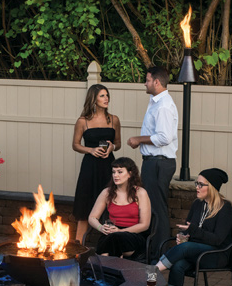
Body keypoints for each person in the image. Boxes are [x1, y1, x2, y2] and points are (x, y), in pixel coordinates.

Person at [157, 168, 232, 286]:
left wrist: (191, 233)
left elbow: (218, 240)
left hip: (215, 255)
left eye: (201, 184)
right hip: (197, 252)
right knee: (178, 265)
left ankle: (153, 271)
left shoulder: (225, 208)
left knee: (185, 249)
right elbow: (189, 229)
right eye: (196, 183)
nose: (196, 187)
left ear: (211, 187)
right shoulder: (197, 204)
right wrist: (182, 236)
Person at [127, 66, 178, 263]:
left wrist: (139, 139)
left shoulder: (164, 105)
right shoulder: (156, 102)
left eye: (147, 80)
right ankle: (151, 250)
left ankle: (161, 255)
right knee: (150, 206)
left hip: (159, 163)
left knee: (157, 208)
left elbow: (164, 137)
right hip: (153, 162)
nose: (145, 83)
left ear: (156, 82)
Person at [72, 84, 121, 242]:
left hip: (109, 167)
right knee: (85, 203)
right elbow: (75, 145)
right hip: (90, 167)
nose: (106, 98)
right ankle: (78, 247)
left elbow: (118, 143)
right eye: (102, 96)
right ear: (93, 99)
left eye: (107, 95)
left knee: (109, 202)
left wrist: (112, 147)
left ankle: (107, 245)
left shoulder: (114, 119)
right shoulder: (83, 121)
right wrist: (90, 150)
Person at [88, 157, 151, 259]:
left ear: (130, 174)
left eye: (120, 172)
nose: (115, 175)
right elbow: (92, 217)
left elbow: (144, 225)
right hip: (111, 232)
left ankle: (104, 266)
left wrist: (120, 231)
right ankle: (113, 266)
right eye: (113, 172)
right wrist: (101, 227)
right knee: (111, 238)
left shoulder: (140, 193)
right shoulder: (107, 193)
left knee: (111, 242)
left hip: (133, 234)